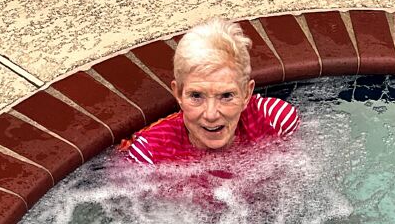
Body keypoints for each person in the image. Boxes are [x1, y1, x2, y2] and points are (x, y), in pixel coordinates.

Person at [120, 17, 299, 167]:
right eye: (196, 96)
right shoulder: (150, 153)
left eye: (227, 96)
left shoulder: (275, 120)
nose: (211, 114)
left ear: (246, 93)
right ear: (178, 93)